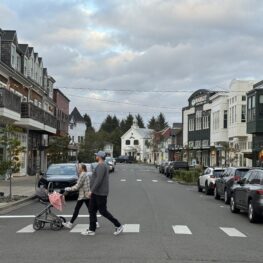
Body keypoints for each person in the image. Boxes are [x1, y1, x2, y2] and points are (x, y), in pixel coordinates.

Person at [81, 151, 123, 236]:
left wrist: (91, 191)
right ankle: (91, 229)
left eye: (96, 155)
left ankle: (118, 225)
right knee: (92, 210)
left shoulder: (101, 166)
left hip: (100, 193)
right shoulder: (103, 165)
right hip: (97, 193)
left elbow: (98, 180)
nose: (95, 156)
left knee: (103, 211)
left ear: (99, 157)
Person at [62, 163, 99, 229]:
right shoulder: (85, 174)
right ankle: (96, 223)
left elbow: (77, 186)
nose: (78, 168)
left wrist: (68, 188)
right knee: (91, 210)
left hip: (83, 196)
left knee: (77, 209)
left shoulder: (82, 175)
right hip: (86, 195)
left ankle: (70, 223)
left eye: (79, 167)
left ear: (82, 168)